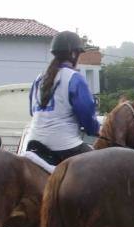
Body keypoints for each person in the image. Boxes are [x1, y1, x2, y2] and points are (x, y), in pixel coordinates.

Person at [25, 31, 100, 161]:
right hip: (64, 145)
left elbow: (32, 112)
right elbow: (86, 113)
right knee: (99, 164)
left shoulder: (39, 79)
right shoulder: (74, 78)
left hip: (33, 142)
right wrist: (94, 129)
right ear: (73, 54)